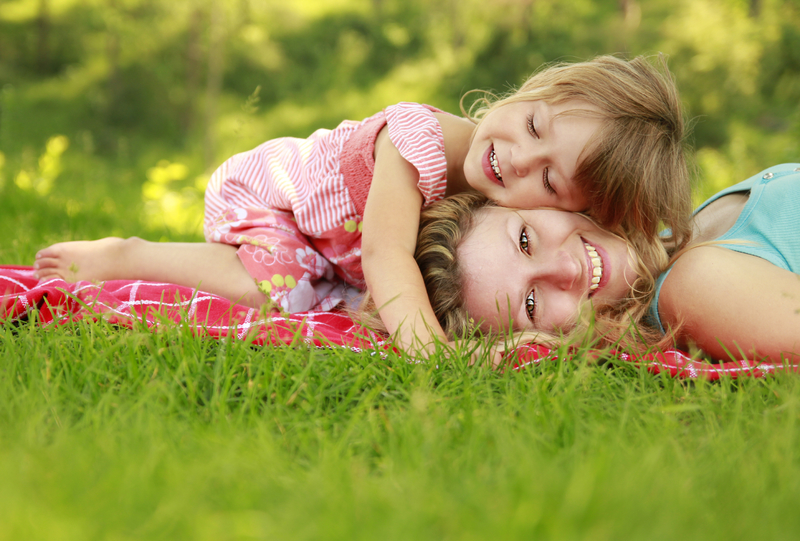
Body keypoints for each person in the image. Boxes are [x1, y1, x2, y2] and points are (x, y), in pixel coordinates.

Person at [32, 54, 691, 355]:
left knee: (337, 300)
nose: (517, 157)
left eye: (549, 183)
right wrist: (430, 355)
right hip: (276, 200)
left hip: (330, 249)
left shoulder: (494, 193)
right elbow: (383, 252)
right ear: (533, 88)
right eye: (535, 126)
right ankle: (126, 255)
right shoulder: (421, 143)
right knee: (279, 292)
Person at [414, 166, 800, 364]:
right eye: (531, 304)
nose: (565, 270)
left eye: (525, 240)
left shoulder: (675, 237)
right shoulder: (692, 286)